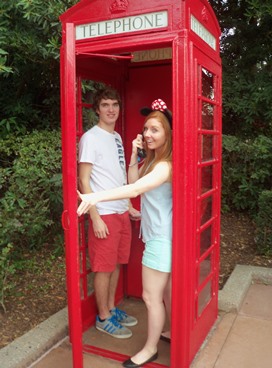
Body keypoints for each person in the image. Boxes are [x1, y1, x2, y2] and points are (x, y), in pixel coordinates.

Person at [77, 99, 173, 368]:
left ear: (167, 134)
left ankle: (150, 349)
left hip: (160, 238)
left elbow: (132, 190)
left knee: (151, 297)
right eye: (146, 129)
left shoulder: (165, 165)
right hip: (157, 234)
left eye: (155, 129)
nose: (148, 134)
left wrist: (92, 198)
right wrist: (134, 154)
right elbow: (132, 180)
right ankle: (172, 331)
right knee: (164, 292)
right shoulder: (155, 161)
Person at [78, 86, 140, 339]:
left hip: (120, 211)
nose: (111, 109)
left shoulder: (116, 137)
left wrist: (127, 204)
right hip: (103, 213)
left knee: (116, 264)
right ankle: (103, 317)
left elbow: (116, 176)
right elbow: (84, 180)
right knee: (103, 267)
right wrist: (94, 217)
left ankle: (112, 308)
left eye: (115, 104)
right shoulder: (90, 138)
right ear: (96, 110)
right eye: (105, 105)